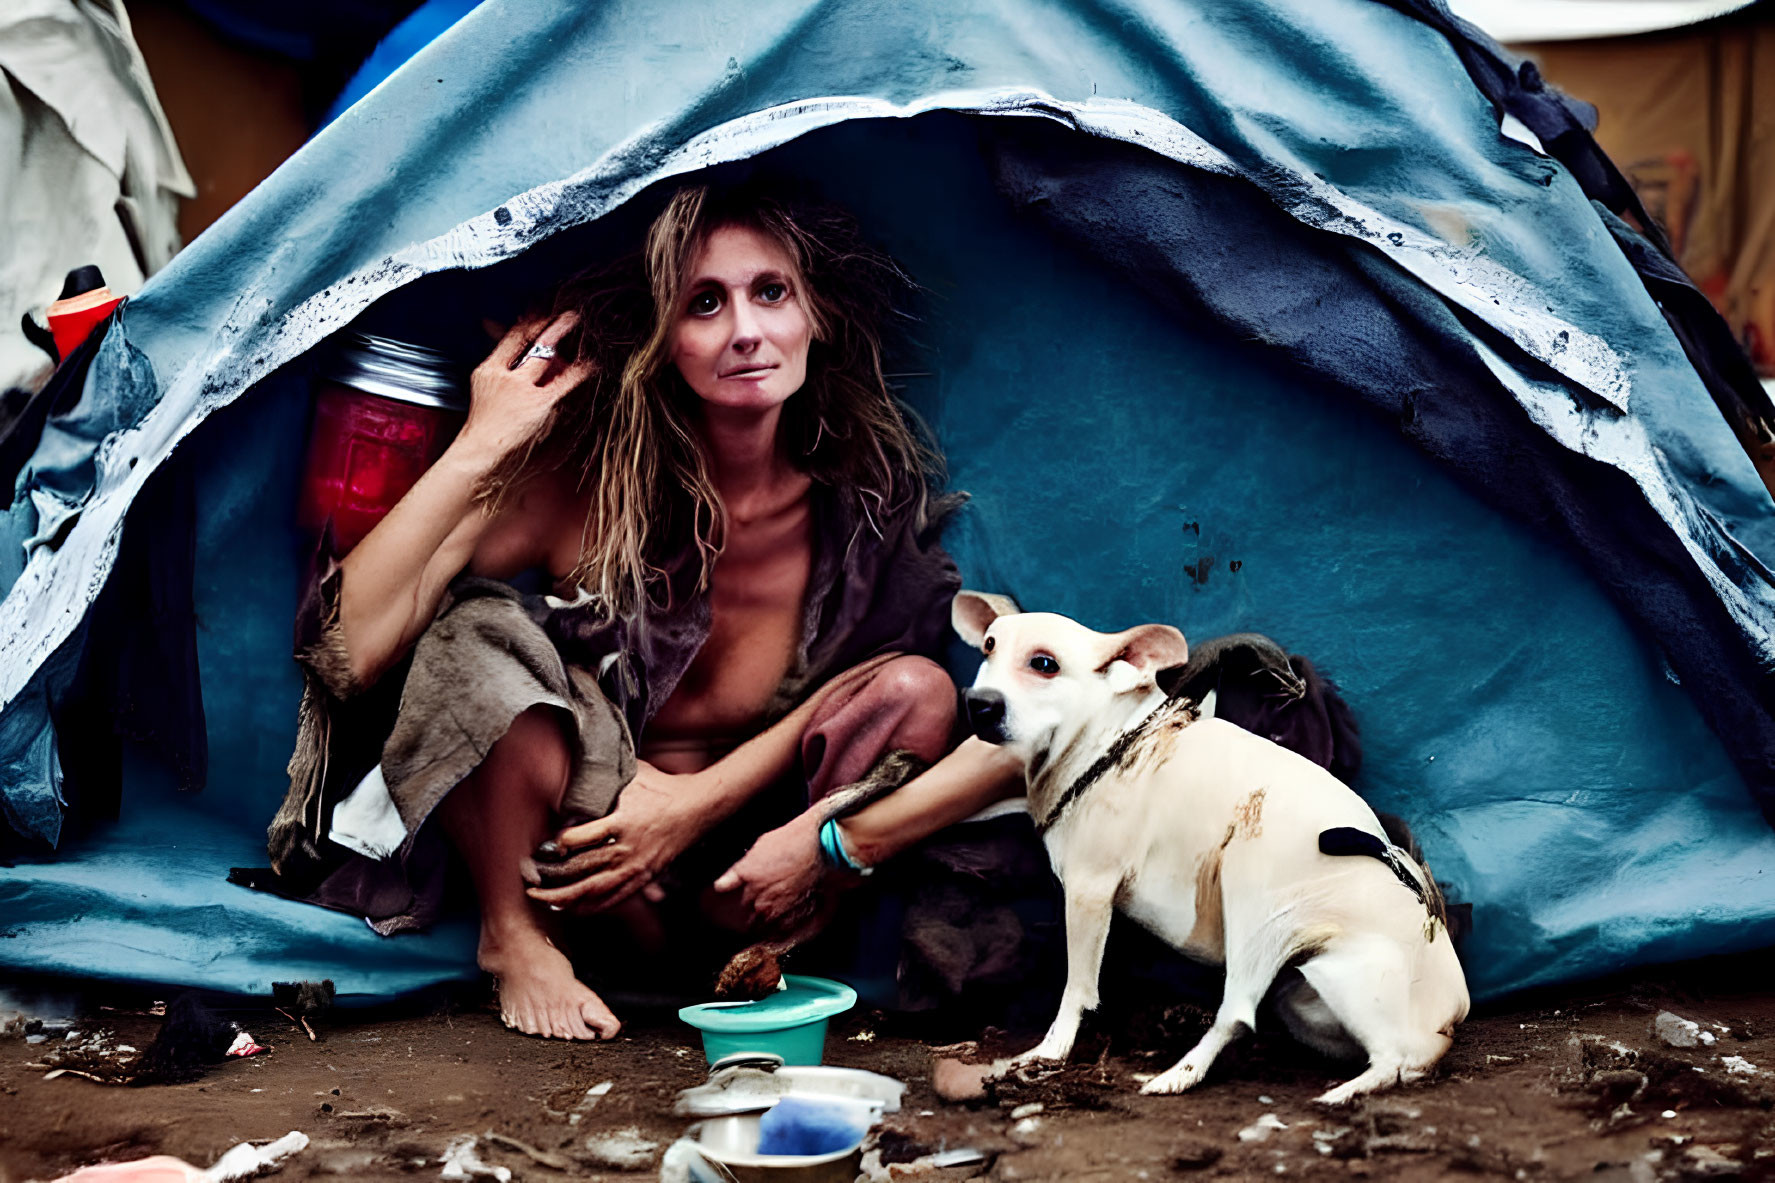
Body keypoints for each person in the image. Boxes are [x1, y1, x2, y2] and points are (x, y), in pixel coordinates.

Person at [265, 184, 1025, 1040]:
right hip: (582, 871)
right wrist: (486, 436)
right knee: (476, 632)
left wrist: (698, 803)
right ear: (663, 339)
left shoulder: (858, 510)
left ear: (817, 314)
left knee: (920, 688)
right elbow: (343, 651)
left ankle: (776, 955)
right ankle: (513, 942)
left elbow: (881, 684)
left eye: (769, 291)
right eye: (705, 303)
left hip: (752, 883)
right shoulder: (578, 488)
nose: (745, 329)